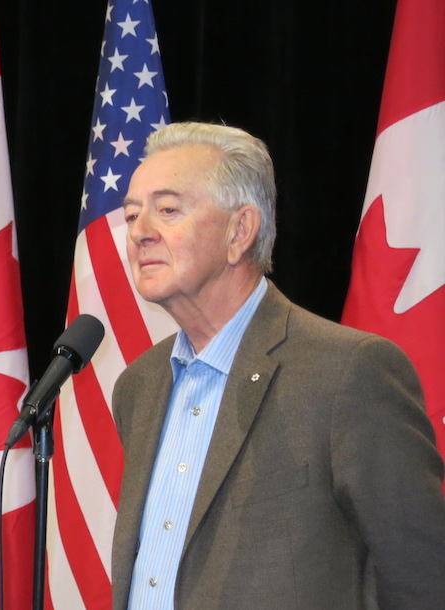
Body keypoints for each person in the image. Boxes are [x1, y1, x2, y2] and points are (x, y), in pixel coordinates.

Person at [110, 121, 445, 609]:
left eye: (167, 210)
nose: (140, 233)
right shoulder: (137, 387)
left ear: (239, 230)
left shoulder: (348, 373)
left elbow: (423, 581)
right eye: (132, 214)